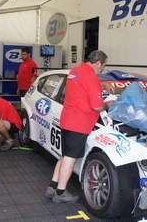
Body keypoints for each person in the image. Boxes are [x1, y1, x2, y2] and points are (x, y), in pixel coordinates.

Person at [45, 50, 114, 203]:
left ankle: (52, 186)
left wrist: (102, 84)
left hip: (67, 118)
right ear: (98, 63)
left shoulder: (75, 71)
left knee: (65, 156)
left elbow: (83, 86)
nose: (103, 69)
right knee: (70, 158)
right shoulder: (91, 77)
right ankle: (61, 193)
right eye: (103, 65)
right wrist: (109, 104)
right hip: (79, 123)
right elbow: (97, 107)